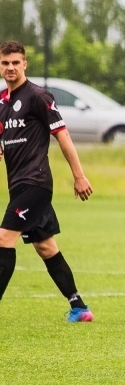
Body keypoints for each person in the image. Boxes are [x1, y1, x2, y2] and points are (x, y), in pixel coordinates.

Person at [0, 40, 94, 322]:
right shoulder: (2, 104)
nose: (11, 68)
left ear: (25, 64)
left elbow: (62, 136)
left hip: (36, 183)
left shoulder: (38, 96)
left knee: (4, 238)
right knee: (45, 246)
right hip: (19, 185)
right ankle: (79, 307)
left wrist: (79, 175)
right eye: (6, 63)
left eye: (16, 62)